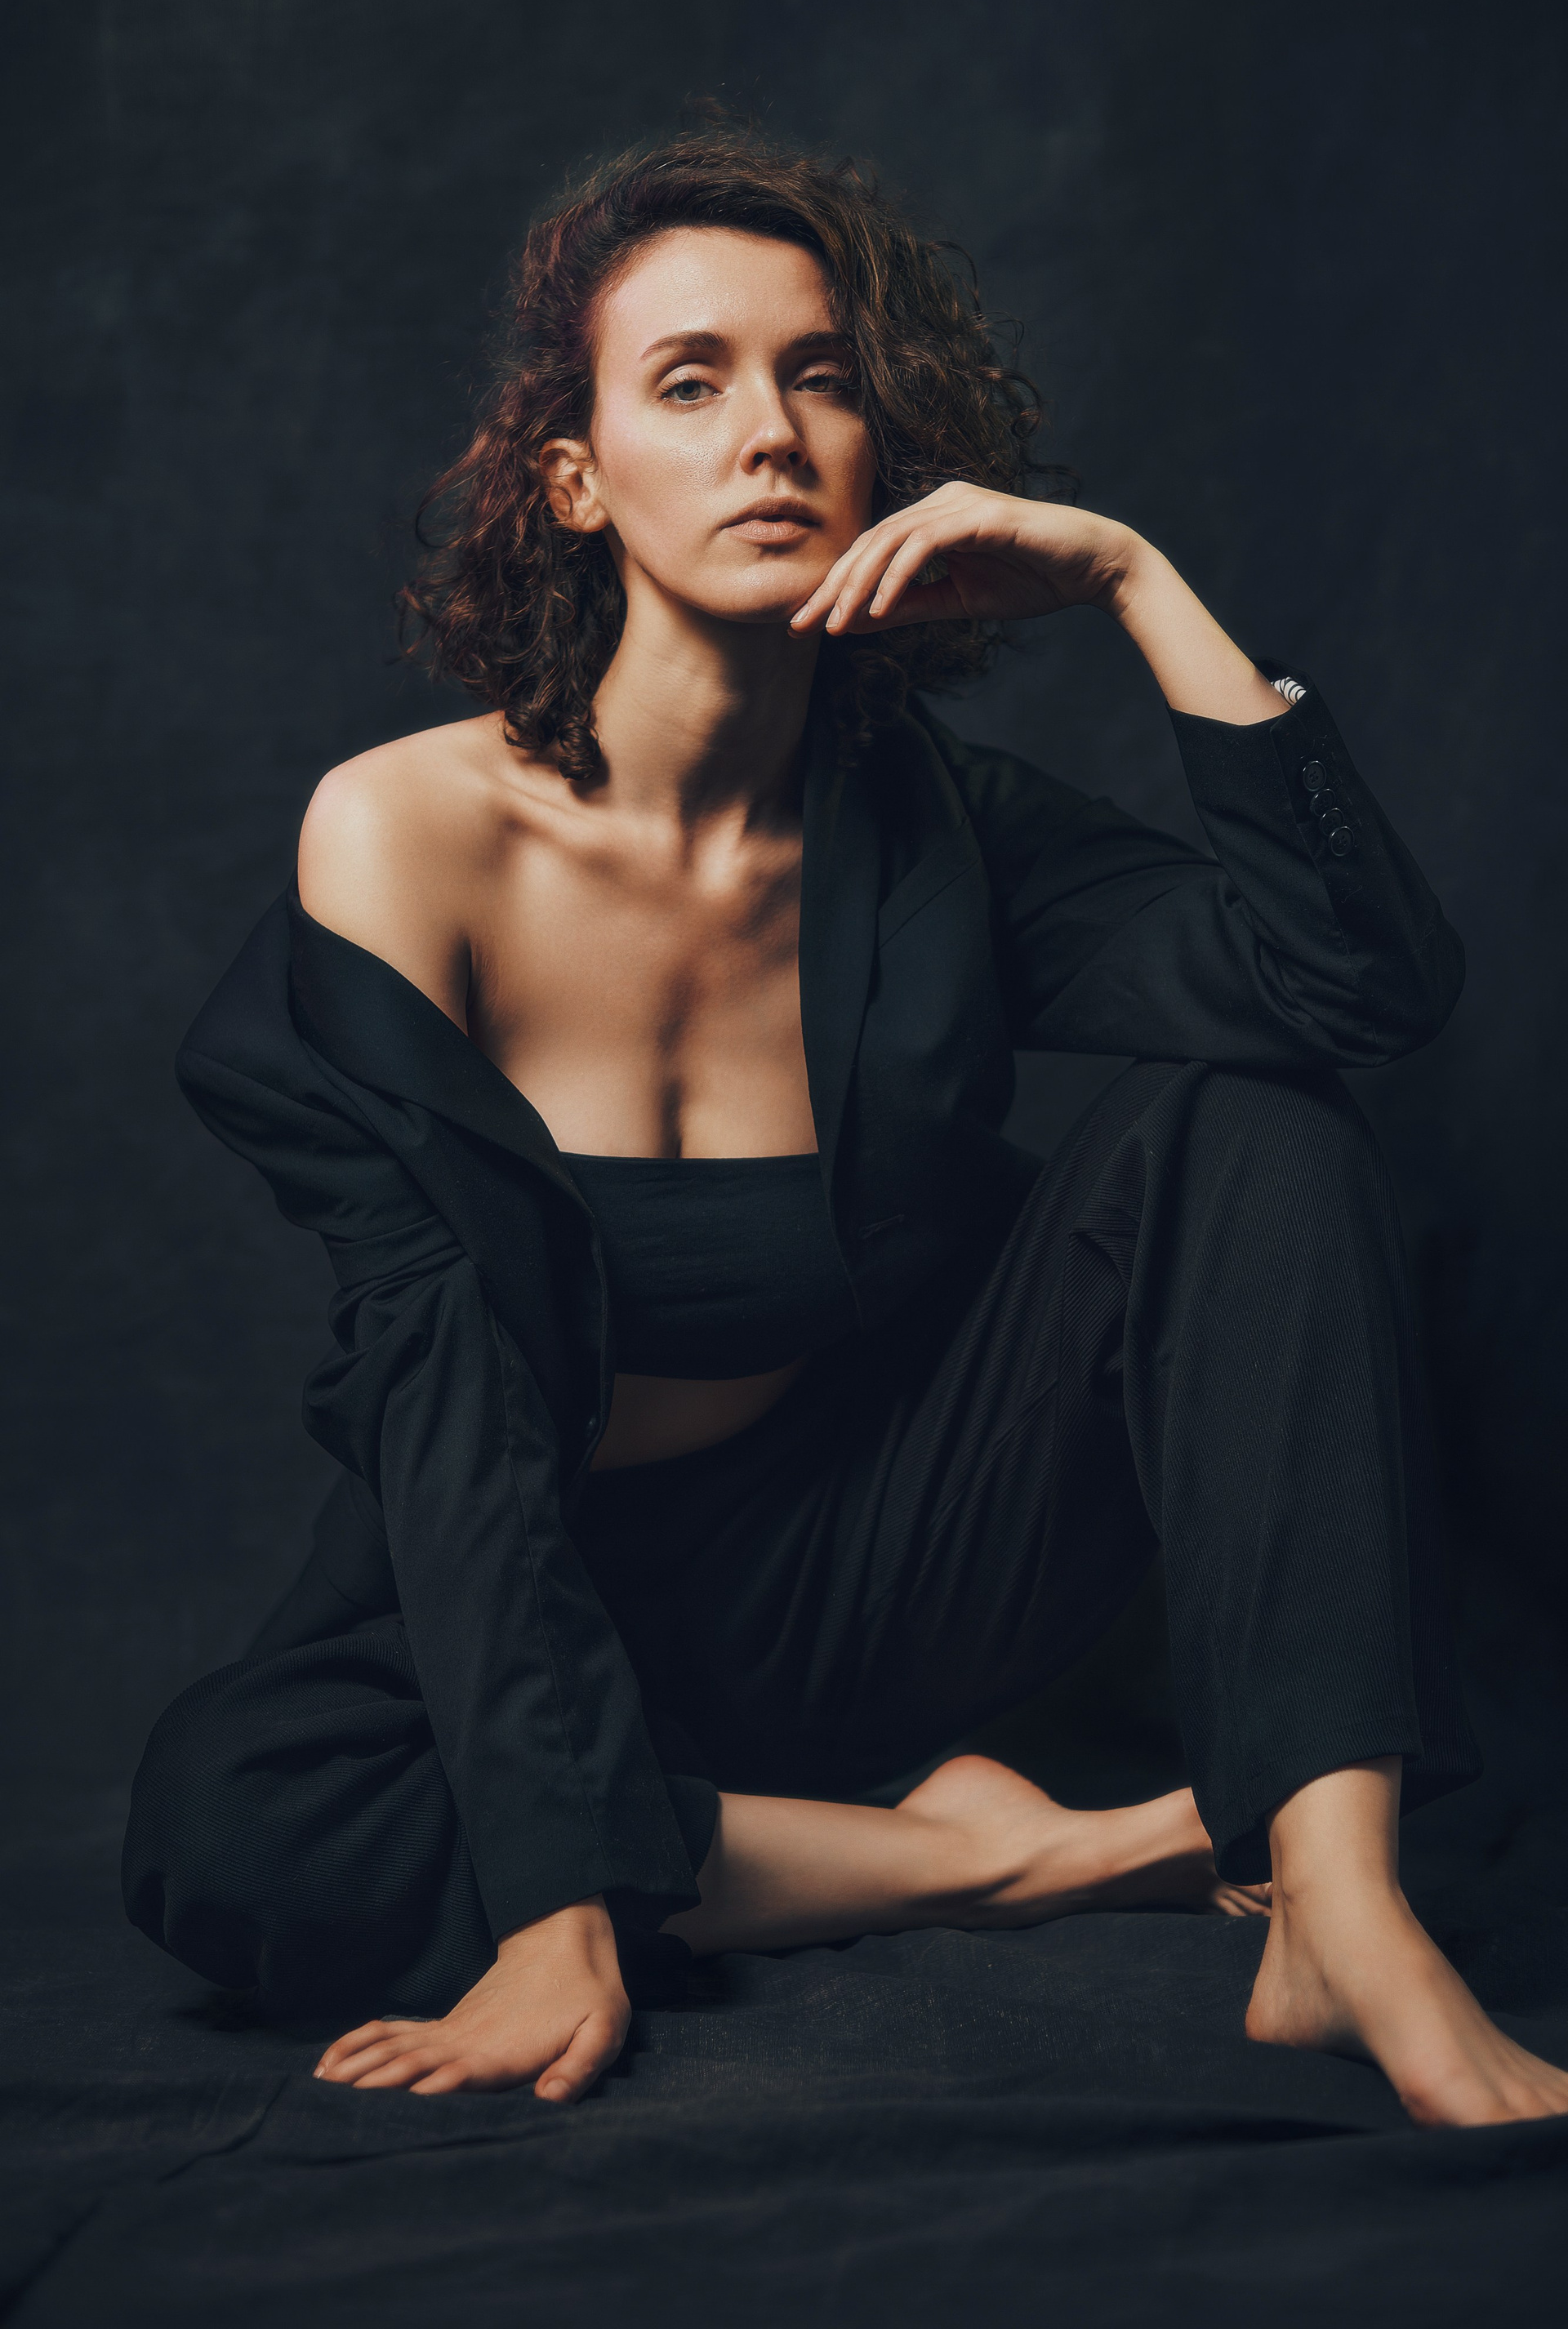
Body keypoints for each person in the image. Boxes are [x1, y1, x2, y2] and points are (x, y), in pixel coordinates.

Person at [122, 130, 1568, 2128]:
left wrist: (1134, 580)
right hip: (535, 1583)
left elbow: (1358, 989)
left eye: (818, 378)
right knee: (235, 1824)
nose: (771, 434)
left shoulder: (937, 831)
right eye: (690, 382)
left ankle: (1340, 1899)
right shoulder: (405, 837)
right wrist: (547, 1900)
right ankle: (1009, 1857)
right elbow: (445, 1379)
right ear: (576, 478)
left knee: (1262, 1117)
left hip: (870, 1578)